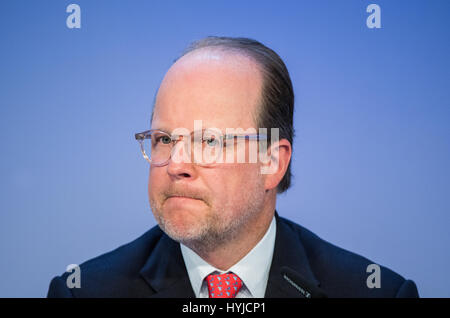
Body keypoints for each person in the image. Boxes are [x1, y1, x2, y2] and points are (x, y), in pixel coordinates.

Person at [47, 36, 418, 298]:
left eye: (209, 141)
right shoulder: (85, 291)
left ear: (272, 162)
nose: (176, 164)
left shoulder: (375, 292)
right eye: (164, 139)